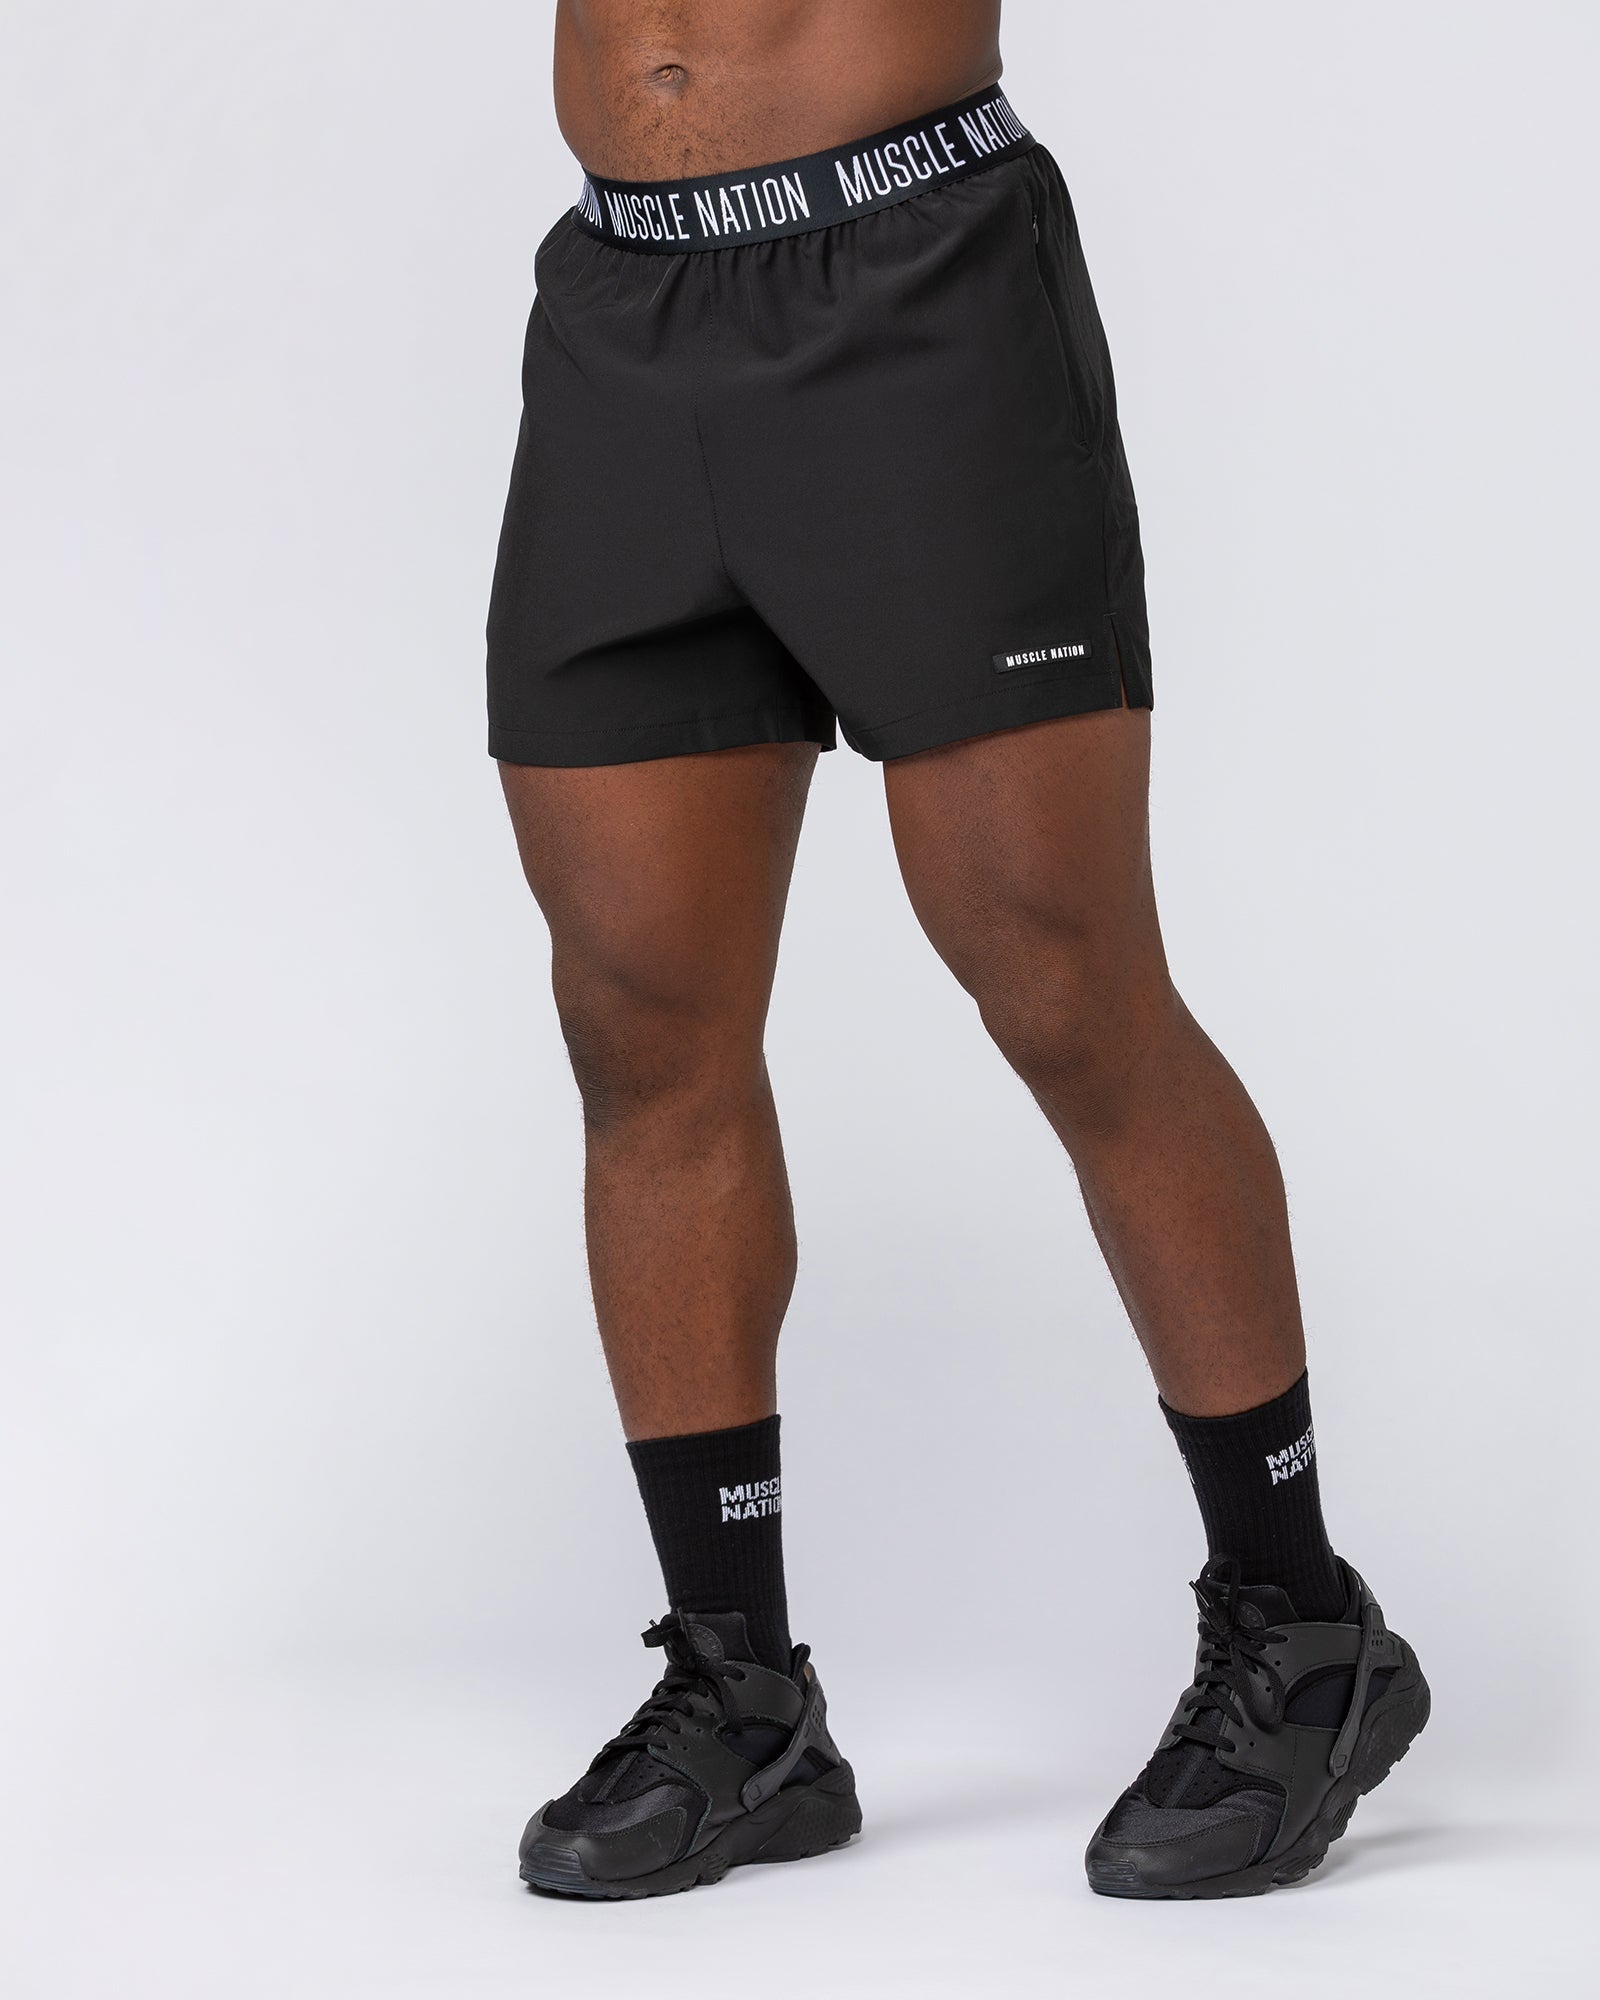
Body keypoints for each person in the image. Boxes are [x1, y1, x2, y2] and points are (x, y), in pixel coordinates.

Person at [487, 0, 1428, 1902]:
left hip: (911, 279)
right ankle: (743, 1699)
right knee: (640, 1019)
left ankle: (1304, 1630)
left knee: (1062, 981)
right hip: (622, 311)